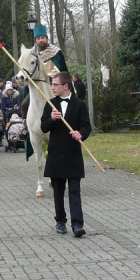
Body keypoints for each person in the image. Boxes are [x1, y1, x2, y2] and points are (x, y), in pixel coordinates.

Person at [41, 71, 92, 238]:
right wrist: (52, 119)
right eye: (52, 84)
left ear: (66, 86)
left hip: (73, 154)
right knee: (58, 190)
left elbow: (86, 127)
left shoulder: (79, 105)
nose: (52, 87)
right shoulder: (50, 104)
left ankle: (77, 224)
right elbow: (43, 127)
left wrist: (80, 134)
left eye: (55, 85)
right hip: (56, 153)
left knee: (75, 190)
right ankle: (60, 221)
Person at [22, 24, 68, 117]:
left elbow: (63, 70)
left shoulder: (56, 52)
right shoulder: (33, 55)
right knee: (24, 104)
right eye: (38, 38)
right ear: (35, 40)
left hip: (54, 83)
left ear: (47, 38)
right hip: (37, 84)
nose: (40, 40)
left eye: (42, 37)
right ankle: (25, 122)